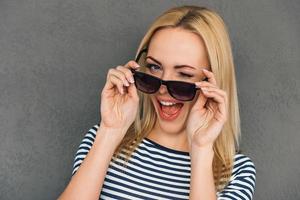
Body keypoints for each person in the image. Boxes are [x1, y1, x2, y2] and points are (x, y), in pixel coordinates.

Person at [58, 5, 256, 200]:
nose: (162, 89)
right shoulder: (99, 139)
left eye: (184, 75)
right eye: (154, 67)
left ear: (212, 84)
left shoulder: (236, 172)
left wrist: (201, 150)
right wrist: (110, 131)